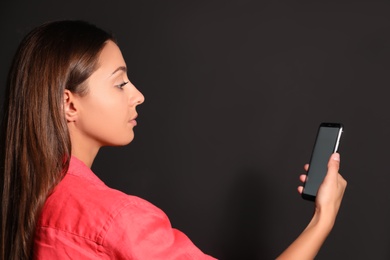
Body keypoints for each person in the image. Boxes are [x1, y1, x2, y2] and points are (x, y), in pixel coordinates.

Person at [0, 20, 346, 260]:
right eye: (120, 83)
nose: (138, 95)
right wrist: (323, 219)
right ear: (68, 103)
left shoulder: (33, 197)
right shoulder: (116, 218)